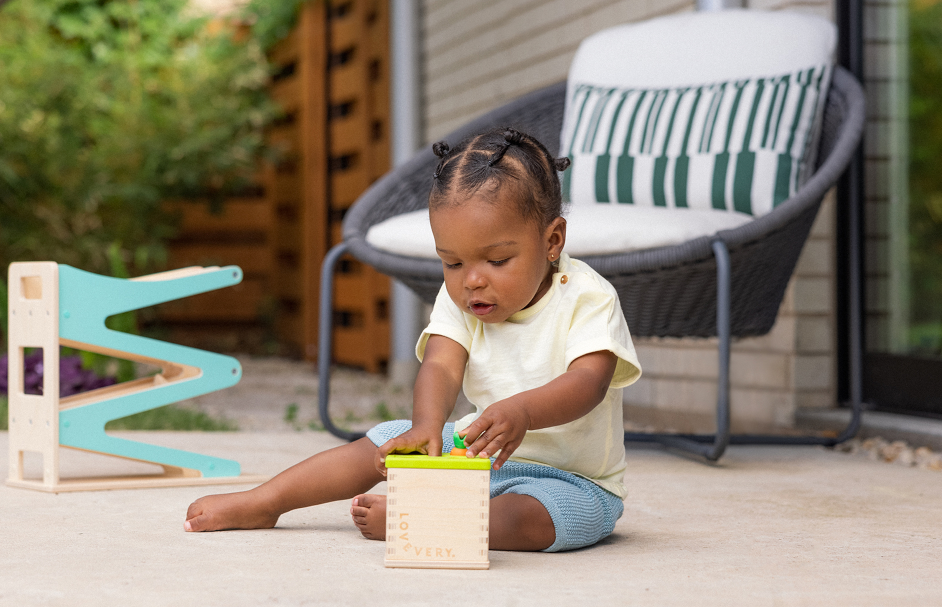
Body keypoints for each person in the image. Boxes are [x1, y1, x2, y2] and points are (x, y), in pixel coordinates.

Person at [184, 127, 642, 552]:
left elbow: (589, 381)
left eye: (497, 260)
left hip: (573, 483)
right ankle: (266, 501)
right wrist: (425, 425)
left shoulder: (588, 297)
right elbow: (442, 364)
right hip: (477, 459)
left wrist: (522, 410)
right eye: (453, 262)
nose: (472, 282)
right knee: (384, 442)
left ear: (552, 241)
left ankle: (421, 519)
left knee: (529, 520)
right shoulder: (459, 299)